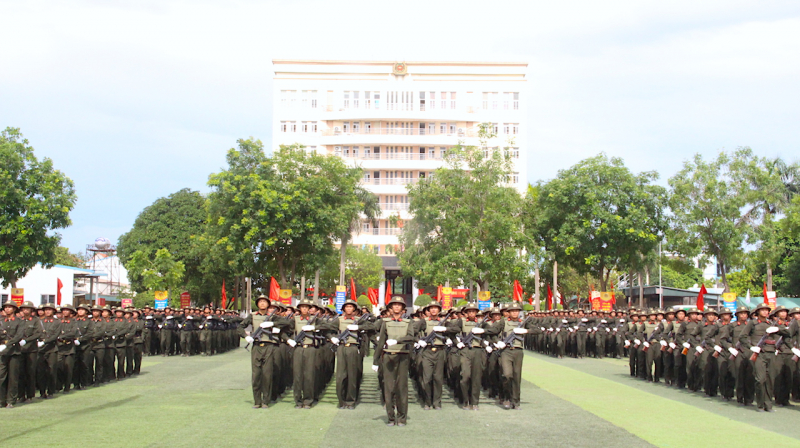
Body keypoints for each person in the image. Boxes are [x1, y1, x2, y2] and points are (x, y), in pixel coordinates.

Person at [373, 296, 416, 426]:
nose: (397, 307)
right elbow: (380, 343)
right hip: (388, 356)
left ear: (403, 309)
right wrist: (375, 360)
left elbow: (411, 337)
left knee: (402, 387)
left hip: (402, 356)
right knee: (389, 387)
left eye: (399, 305)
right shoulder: (385, 322)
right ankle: (391, 417)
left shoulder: (408, 322)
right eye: (394, 305)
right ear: (390, 308)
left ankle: (402, 417)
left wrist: (398, 341)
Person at [240, 295, 287, 409]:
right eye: (260, 301)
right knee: (256, 375)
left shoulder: (272, 317)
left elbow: (287, 323)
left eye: (264, 302)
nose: (262, 303)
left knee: (267, 374)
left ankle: (266, 400)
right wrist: (246, 337)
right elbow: (240, 327)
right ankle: (257, 401)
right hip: (256, 346)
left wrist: (273, 324)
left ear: (267, 304)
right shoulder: (252, 316)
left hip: (269, 346)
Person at [492, 301, 532, 409]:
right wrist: (497, 342)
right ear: (508, 312)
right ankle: (506, 397)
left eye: (516, 311)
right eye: (512, 311)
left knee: (516, 376)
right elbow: (493, 332)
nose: (515, 313)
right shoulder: (503, 322)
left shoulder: (523, 322)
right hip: (506, 351)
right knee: (507, 375)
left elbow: (537, 330)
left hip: (518, 351)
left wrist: (526, 331)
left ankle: (516, 401)